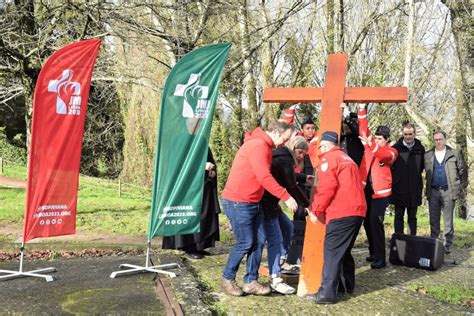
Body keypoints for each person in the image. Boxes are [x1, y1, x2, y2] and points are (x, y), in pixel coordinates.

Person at [220, 120, 298, 297]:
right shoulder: (258, 146)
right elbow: (264, 176)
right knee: (245, 242)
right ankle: (227, 278)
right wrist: (286, 196)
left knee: (258, 241)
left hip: (252, 201)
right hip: (238, 201)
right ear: (276, 133)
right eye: (284, 139)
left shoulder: (265, 146)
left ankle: (250, 281)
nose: (284, 144)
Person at [305, 131, 367, 304]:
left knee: (332, 251)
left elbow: (327, 188)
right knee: (343, 250)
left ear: (323, 145)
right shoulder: (347, 159)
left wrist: (316, 210)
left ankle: (326, 293)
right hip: (357, 211)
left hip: (342, 211)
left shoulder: (328, 159)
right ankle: (346, 285)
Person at [258, 136, 310, 294]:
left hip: (271, 202)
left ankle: (281, 259)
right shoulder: (284, 159)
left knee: (288, 227)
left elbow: (287, 176)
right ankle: (275, 276)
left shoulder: (282, 157)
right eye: (300, 152)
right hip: (266, 203)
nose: (301, 156)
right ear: (293, 147)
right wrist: (308, 205)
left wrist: (304, 177)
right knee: (276, 239)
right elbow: (291, 185)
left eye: (304, 154)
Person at [357, 104, 398, 269]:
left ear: (387, 139)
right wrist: (361, 109)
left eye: (381, 138)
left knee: (376, 222)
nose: (377, 140)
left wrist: (371, 144)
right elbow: (363, 130)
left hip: (380, 194)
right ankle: (373, 252)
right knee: (367, 222)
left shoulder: (392, 151)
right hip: (366, 189)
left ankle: (381, 258)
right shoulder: (370, 145)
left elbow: (382, 155)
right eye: (377, 138)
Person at [162, 149, 220, 259]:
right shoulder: (183, 144)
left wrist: (212, 172)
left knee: (203, 216)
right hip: (188, 190)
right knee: (190, 215)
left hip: (204, 187)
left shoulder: (203, 144)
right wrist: (201, 166)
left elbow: (210, 162)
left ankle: (200, 246)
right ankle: (190, 247)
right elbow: (180, 166)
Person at [424, 130, 467, 254]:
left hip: (449, 191)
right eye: (436, 139)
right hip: (433, 191)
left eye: (440, 139)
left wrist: (459, 187)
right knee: (433, 220)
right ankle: (434, 244)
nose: (438, 141)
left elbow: (463, 171)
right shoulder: (428, 155)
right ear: (434, 140)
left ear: (445, 139)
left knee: (448, 221)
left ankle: (447, 246)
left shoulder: (454, 153)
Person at [390, 123, 425, 235]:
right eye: (406, 134)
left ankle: (412, 241)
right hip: (399, 188)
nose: (408, 136)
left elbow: (422, 167)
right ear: (402, 134)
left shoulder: (420, 148)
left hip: (414, 189)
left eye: (410, 134)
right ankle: (399, 240)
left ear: (414, 134)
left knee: (412, 217)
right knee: (399, 216)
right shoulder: (395, 149)